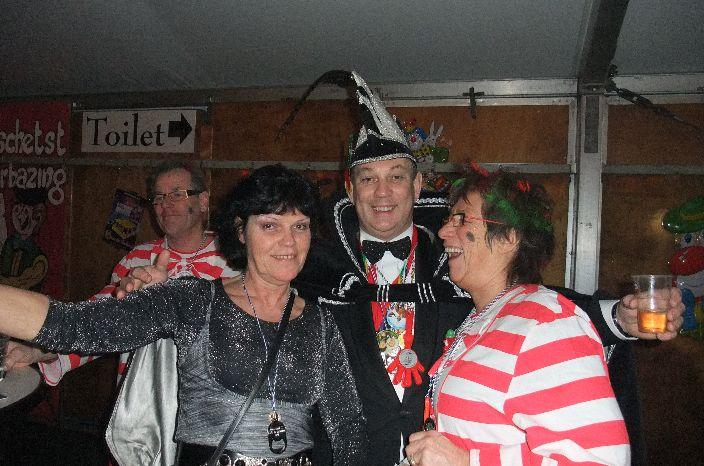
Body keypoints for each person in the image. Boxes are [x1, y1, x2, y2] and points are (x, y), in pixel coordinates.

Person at [278, 70, 683, 466]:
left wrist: (620, 317)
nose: (382, 192)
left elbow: (540, 309)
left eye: (396, 176)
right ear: (350, 189)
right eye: (367, 179)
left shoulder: (458, 262)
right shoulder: (316, 270)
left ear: (417, 186)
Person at [0, 165, 366, 465]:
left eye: (300, 226)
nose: (289, 241)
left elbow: (349, 426)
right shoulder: (193, 299)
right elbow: (75, 325)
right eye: (270, 225)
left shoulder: (321, 323)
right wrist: (38, 348)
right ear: (241, 231)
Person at [4, 161, 237, 466]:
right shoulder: (135, 259)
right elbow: (95, 326)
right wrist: (40, 350)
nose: (165, 205)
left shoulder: (235, 262)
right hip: (140, 417)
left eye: (176, 194)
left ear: (203, 201)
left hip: (213, 419)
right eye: (158, 197)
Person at [403, 167, 629, 465]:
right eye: (448, 219)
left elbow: (602, 458)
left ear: (509, 237)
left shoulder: (546, 322)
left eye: (461, 219)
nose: (444, 232)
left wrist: (466, 462)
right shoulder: (484, 318)